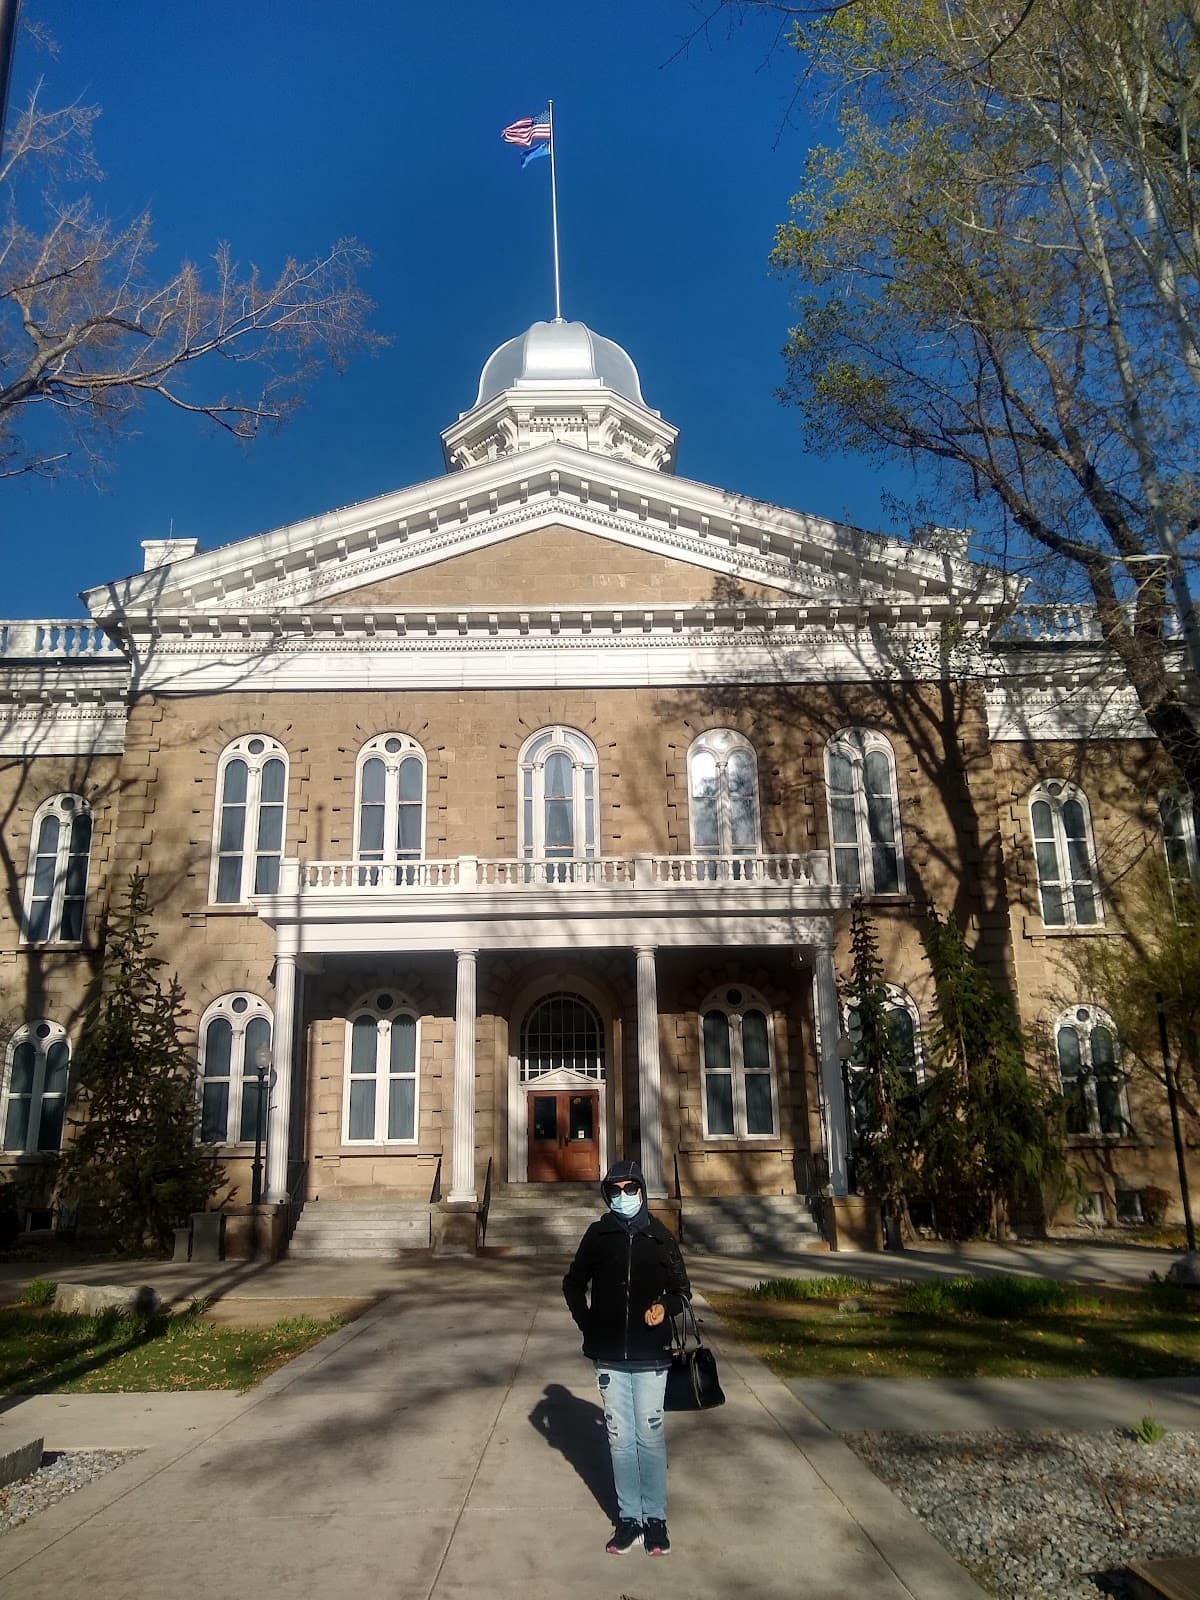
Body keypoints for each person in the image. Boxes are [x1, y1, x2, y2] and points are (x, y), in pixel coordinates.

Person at [562, 1158, 691, 1557]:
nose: (622, 1197)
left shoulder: (658, 1236)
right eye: (614, 1190)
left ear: (641, 1190)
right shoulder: (599, 1235)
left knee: (648, 1437)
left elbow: (681, 1288)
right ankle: (628, 1517)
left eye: (629, 1189)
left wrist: (664, 1308)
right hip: (610, 1356)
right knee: (620, 1440)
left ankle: (655, 1518)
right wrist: (589, 1325)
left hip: (651, 1355)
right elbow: (573, 1283)